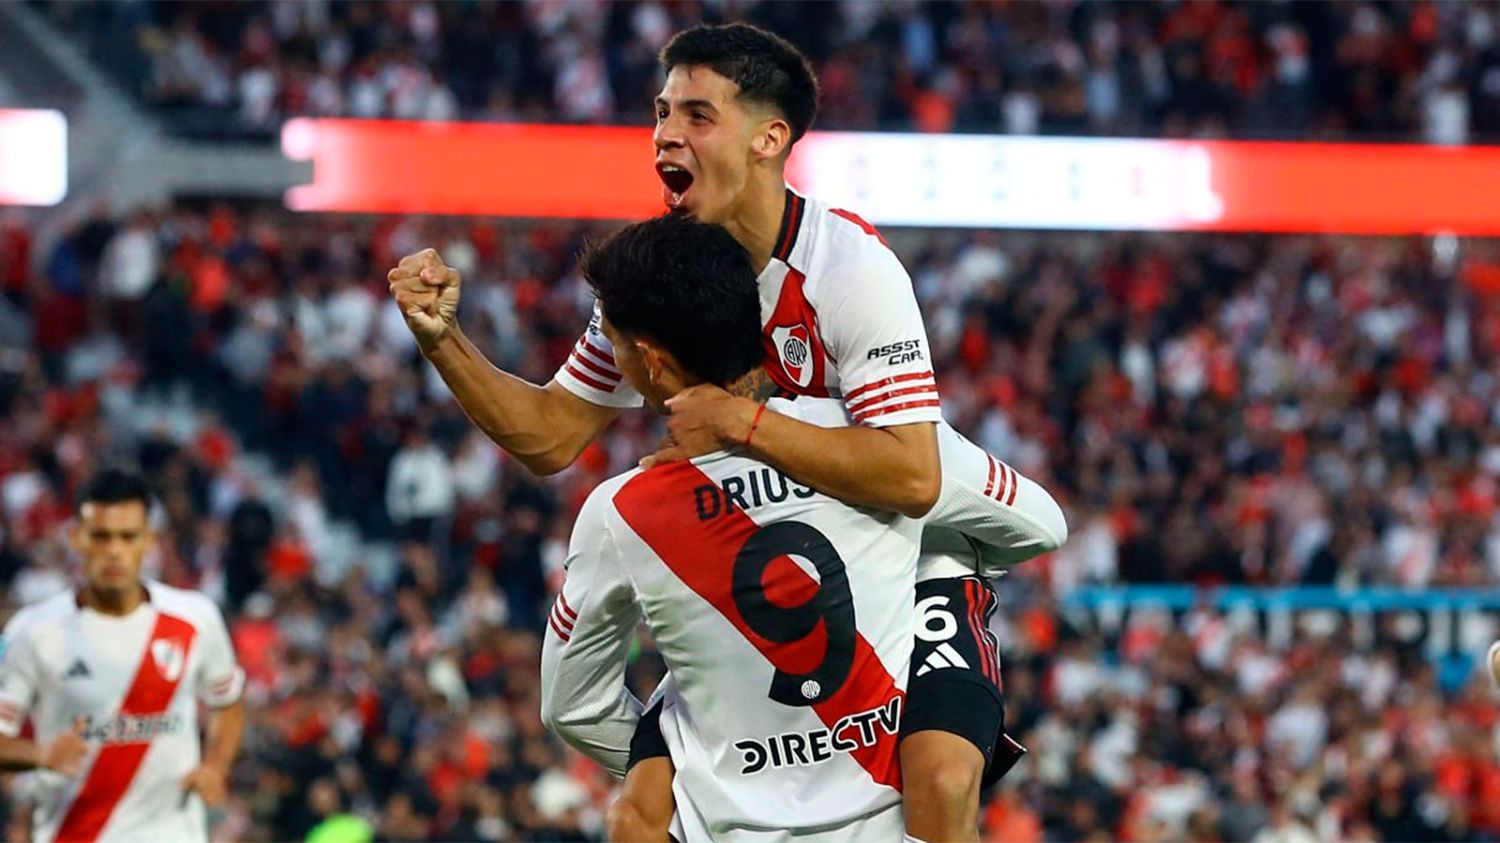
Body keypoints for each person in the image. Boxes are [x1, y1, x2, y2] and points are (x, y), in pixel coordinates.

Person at [388, 23, 1065, 842]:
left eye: (697, 115)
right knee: (637, 814)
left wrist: (743, 422)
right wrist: (443, 342)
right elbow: (551, 436)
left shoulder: (848, 268)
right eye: (661, 112)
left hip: (904, 558)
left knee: (943, 780)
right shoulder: (664, 277)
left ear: (768, 139)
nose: (665, 135)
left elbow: (915, 477)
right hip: (764, 572)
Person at [540, 213, 923, 840]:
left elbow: (572, 706)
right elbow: (1036, 524)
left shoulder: (623, 511)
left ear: (651, 362)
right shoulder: (874, 447)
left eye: (610, 341)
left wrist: (694, 761)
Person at [0, 469, 246, 843]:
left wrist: (216, 766)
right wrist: (42, 755)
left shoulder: (195, 618)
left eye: (128, 537)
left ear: (149, 540)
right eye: (101, 536)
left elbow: (227, 701)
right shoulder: (33, 632)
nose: (114, 550)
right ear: (76, 538)